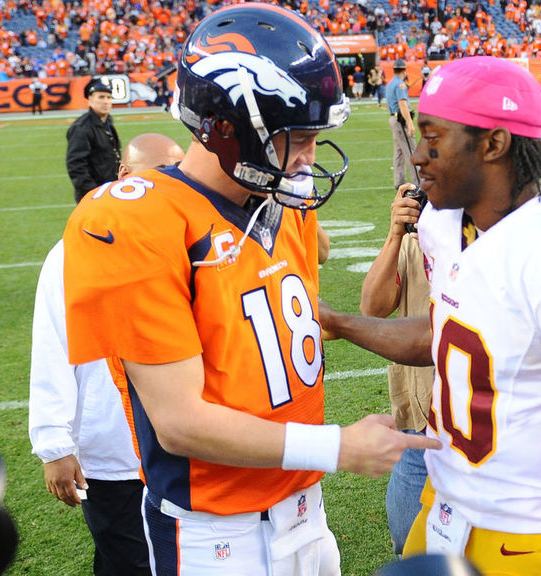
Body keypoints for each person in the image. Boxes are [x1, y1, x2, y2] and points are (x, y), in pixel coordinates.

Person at [61, 5, 440, 576]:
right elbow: (180, 421)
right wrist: (336, 447)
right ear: (225, 128)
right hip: (216, 530)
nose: (311, 156)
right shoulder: (137, 221)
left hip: (306, 511)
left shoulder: (281, 201)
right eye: (299, 137)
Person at [320, 57, 541, 576]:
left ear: (494, 143)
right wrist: (339, 322)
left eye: (433, 138)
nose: (418, 157)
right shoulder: (442, 223)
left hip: (525, 535)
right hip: (440, 503)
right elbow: (447, 332)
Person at [29, 133, 185, 576]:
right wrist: (54, 444)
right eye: (152, 176)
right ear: (124, 175)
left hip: (185, 441)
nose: (160, 189)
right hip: (112, 447)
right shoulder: (75, 249)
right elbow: (52, 343)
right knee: (127, 562)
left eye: (173, 177)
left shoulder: (189, 237)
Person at [360, 184, 434, 555]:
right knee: (410, 548)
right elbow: (373, 308)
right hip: (419, 428)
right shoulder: (417, 238)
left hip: (488, 429)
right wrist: (395, 234)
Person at [66, 77, 121, 203]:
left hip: (110, 191)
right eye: (101, 97)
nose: (106, 101)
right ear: (90, 100)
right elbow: (76, 166)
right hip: (94, 195)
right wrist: (93, 192)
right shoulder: (81, 127)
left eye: (108, 97)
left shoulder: (107, 123)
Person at [386, 58, 420, 190]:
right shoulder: (400, 84)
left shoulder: (390, 84)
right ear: (404, 70)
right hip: (401, 120)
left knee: (399, 152)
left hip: (394, 119)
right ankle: (417, 182)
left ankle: (399, 181)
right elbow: (402, 103)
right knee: (411, 151)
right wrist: (410, 123)